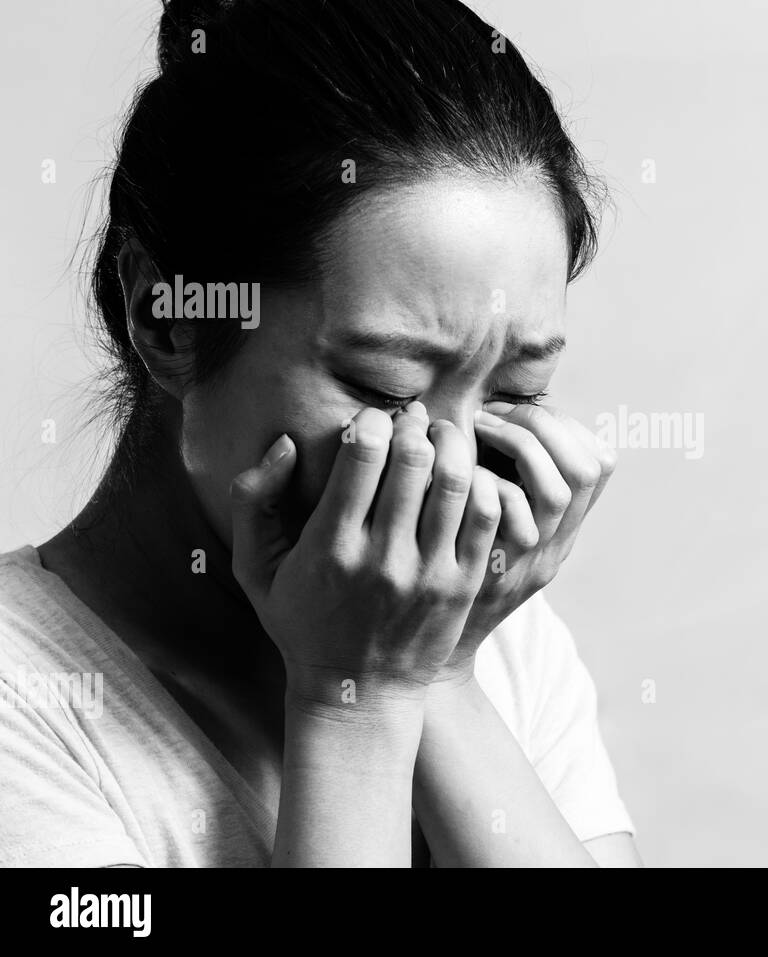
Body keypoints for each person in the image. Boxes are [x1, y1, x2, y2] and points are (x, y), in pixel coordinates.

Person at [0, 0, 640, 867]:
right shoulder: (25, 702)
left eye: (517, 389)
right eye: (385, 386)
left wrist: (443, 674)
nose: (451, 467)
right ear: (169, 316)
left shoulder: (491, 634)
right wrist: (359, 700)